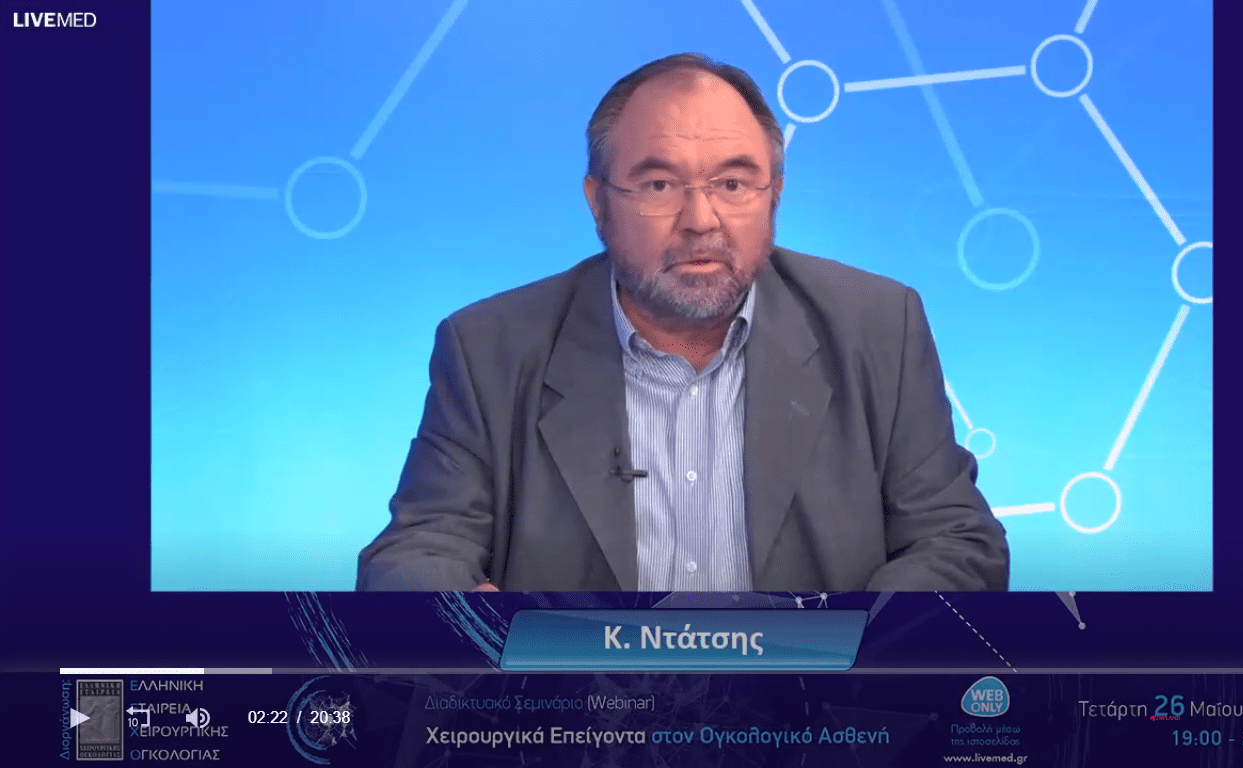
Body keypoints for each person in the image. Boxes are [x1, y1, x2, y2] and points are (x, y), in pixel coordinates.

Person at [356, 52, 1008, 592]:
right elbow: (415, 552)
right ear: (598, 203)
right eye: (659, 186)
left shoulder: (880, 326)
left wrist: (848, 656)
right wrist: (466, 622)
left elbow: (956, 542)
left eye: (733, 184)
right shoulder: (488, 349)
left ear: (774, 195)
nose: (701, 220)